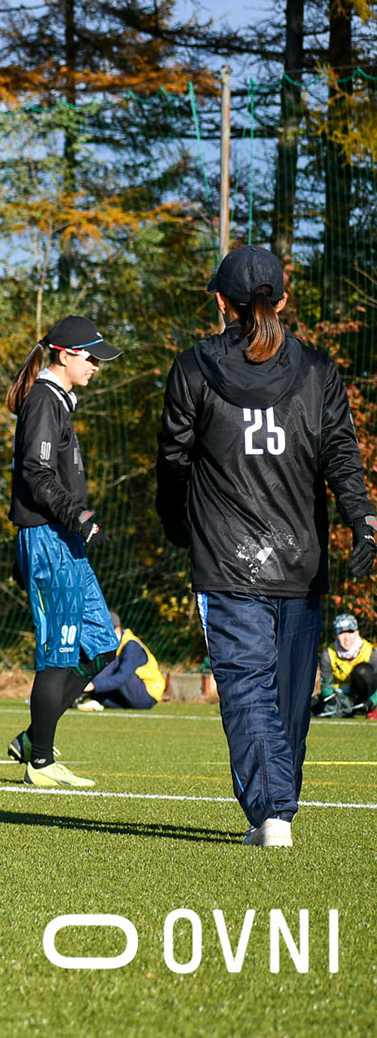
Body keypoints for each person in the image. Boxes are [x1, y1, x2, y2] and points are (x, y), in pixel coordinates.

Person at [158, 246, 377, 846]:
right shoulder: (319, 369)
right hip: (299, 560)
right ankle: (276, 809)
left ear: (221, 302)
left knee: (250, 689)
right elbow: (341, 453)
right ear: (282, 300)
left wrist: (175, 521)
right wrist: (362, 518)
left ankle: (273, 813)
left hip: (227, 561)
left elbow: (173, 461)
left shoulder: (192, 368)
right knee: (287, 701)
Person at [3, 314, 121, 789]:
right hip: (49, 538)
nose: (96, 366)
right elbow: (36, 473)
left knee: (102, 644)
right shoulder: (43, 401)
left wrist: (77, 523)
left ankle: (34, 738)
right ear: (67, 354)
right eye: (91, 357)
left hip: (65, 537)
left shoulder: (57, 402)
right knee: (58, 651)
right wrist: (79, 517)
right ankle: (41, 761)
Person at [78, 613, 164, 710]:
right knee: (97, 693)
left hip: (146, 695)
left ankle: (84, 691)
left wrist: (93, 686)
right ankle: (82, 696)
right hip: (129, 695)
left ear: (118, 629)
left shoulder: (132, 645)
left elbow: (123, 676)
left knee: (110, 661)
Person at [317, 613, 377, 717]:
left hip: (364, 697)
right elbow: (327, 685)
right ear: (335, 635)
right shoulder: (328, 653)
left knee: (363, 671)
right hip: (340, 695)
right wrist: (331, 702)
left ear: (357, 632)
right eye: (341, 633)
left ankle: (371, 709)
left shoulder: (371, 652)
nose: (347, 638)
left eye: (350, 632)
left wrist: (372, 701)